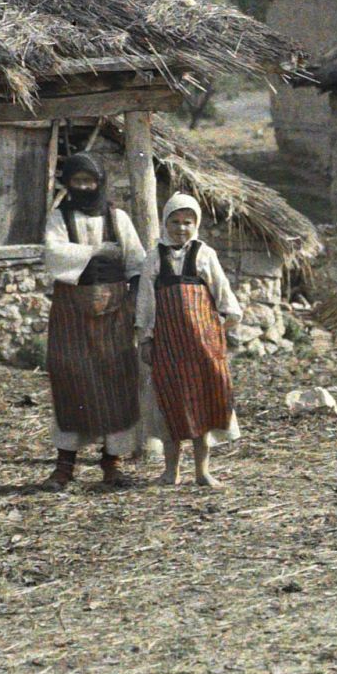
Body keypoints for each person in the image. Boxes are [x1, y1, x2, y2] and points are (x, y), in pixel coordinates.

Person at [39, 151, 149, 490]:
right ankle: (64, 466)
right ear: (68, 184)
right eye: (78, 181)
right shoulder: (60, 217)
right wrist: (97, 251)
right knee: (72, 381)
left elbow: (136, 261)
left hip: (115, 313)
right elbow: (53, 253)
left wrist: (133, 300)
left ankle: (112, 463)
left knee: (116, 382)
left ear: (100, 183)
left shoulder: (119, 218)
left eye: (91, 181)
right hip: (72, 311)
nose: (85, 187)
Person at [138, 192, 242, 487]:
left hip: (202, 348)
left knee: (203, 405)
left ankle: (202, 471)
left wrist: (215, 332)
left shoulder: (205, 255)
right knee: (171, 404)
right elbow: (146, 303)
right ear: (165, 222)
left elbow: (226, 301)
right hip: (168, 346)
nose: (181, 228)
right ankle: (171, 471)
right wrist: (146, 339)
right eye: (175, 222)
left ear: (195, 224)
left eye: (187, 222)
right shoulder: (154, 257)